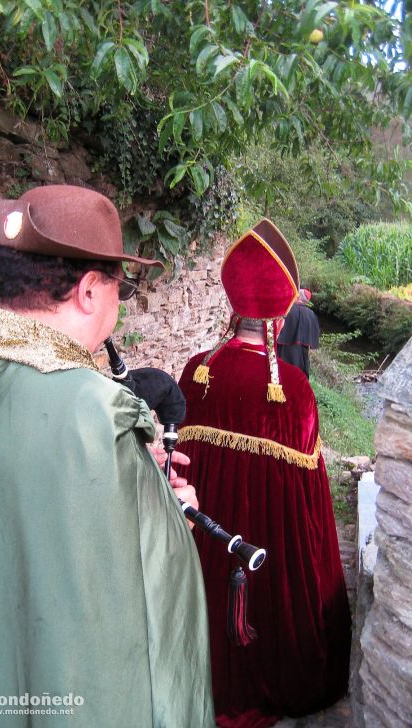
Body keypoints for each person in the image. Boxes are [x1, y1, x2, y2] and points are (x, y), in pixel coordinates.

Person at [0, 185, 215, 727]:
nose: (117, 300)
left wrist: (126, 477)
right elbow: (155, 590)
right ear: (88, 290)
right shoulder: (99, 411)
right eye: (119, 287)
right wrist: (170, 511)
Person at [176, 218, 351, 728]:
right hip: (267, 558)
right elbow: (311, 504)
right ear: (281, 312)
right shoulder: (292, 388)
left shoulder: (196, 372)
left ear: (235, 306)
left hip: (210, 548)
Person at [277, 288, 320, 378]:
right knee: (297, 377)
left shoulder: (286, 309)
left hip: (283, 350)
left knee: (280, 374)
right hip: (301, 355)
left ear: (298, 296)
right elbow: (314, 340)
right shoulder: (311, 315)